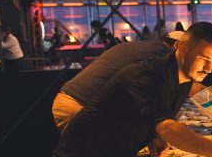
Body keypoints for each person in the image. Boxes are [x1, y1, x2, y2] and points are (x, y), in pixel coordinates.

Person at [53, 22, 212, 157]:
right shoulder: (146, 73)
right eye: (204, 59)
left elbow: (156, 114)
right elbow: (168, 128)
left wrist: (153, 134)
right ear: (182, 48)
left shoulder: (183, 79)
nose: (209, 68)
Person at [51, 31, 186, 133]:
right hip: (78, 104)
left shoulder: (147, 47)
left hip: (71, 100)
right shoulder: (161, 54)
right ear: (177, 45)